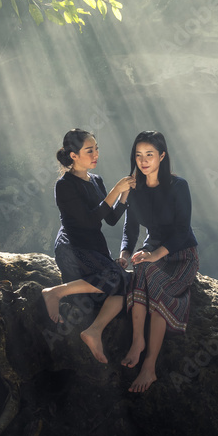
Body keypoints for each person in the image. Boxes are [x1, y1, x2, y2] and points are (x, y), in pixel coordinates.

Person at [42, 129, 136, 364]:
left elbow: (111, 219)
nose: (96, 154)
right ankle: (55, 292)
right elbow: (88, 221)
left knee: (125, 283)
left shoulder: (96, 180)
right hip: (72, 248)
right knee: (116, 278)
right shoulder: (64, 185)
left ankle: (94, 331)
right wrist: (115, 190)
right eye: (89, 150)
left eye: (97, 149)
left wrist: (124, 195)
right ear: (73, 155)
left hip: (94, 248)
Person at [117, 130, 198, 392]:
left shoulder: (178, 186)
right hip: (152, 249)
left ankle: (150, 365)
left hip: (181, 254)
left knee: (150, 274)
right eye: (138, 155)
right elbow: (130, 227)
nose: (143, 160)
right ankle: (138, 341)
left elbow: (183, 231)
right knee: (140, 270)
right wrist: (125, 253)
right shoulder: (134, 189)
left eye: (149, 155)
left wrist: (153, 255)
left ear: (162, 156)